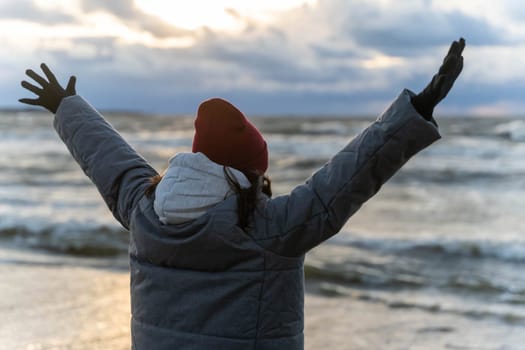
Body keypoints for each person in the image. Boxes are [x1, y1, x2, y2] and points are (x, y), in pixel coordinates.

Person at [19, 38, 465, 350]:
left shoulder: (144, 208)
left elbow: (108, 158)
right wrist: (418, 109)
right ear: (250, 172)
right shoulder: (269, 229)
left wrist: (67, 106)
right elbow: (350, 176)